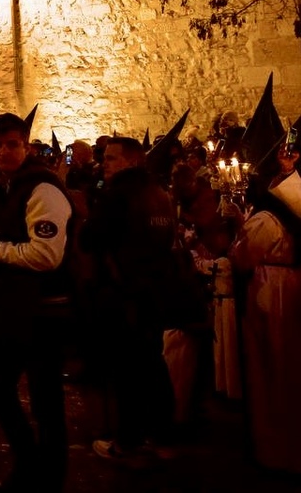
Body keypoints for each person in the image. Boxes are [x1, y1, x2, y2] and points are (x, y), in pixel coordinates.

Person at [0, 112, 72, 492]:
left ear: (26, 145)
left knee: (45, 399)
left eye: (11, 144)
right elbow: (3, 231)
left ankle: (50, 474)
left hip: (43, 312)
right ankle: (28, 461)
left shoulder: (43, 190)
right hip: (9, 308)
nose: (3, 151)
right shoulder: (1, 186)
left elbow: (46, 256)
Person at [230, 147, 301, 476]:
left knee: (277, 372)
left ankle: (281, 449)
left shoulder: (267, 220)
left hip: (273, 293)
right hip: (300, 289)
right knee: (298, 372)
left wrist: (235, 227)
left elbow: (241, 258)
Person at [83, 136, 179, 464]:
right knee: (153, 364)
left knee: (126, 370)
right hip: (154, 291)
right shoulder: (160, 195)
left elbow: (91, 238)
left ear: (131, 161)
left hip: (123, 293)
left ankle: (127, 440)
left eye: (111, 158)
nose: (103, 163)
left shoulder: (117, 196)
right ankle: (163, 437)